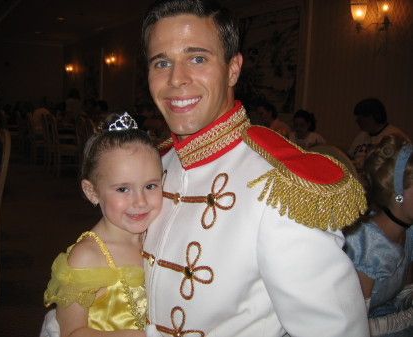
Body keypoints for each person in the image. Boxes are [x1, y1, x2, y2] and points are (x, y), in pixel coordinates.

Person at [140, 0, 369, 336]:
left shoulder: (280, 185)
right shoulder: (153, 164)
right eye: (162, 62)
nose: (176, 79)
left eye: (197, 58)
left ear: (233, 68)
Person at [41, 112, 163, 337]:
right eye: (122, 189)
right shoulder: (86, 257)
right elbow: (72, 332)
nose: (140, 201)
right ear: (92, 192)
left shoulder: (157, 235)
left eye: (150, 186)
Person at [344, 134, 413, 337]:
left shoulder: (408, 233)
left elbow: (404, 295)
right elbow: (352, 325)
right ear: (397, 192)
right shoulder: (367, 244)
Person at [347, 98, 408, 173]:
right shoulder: (362, 135)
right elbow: (349, 157)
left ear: (372, 117)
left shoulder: (395, 136)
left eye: (360, 117)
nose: (357, 121)